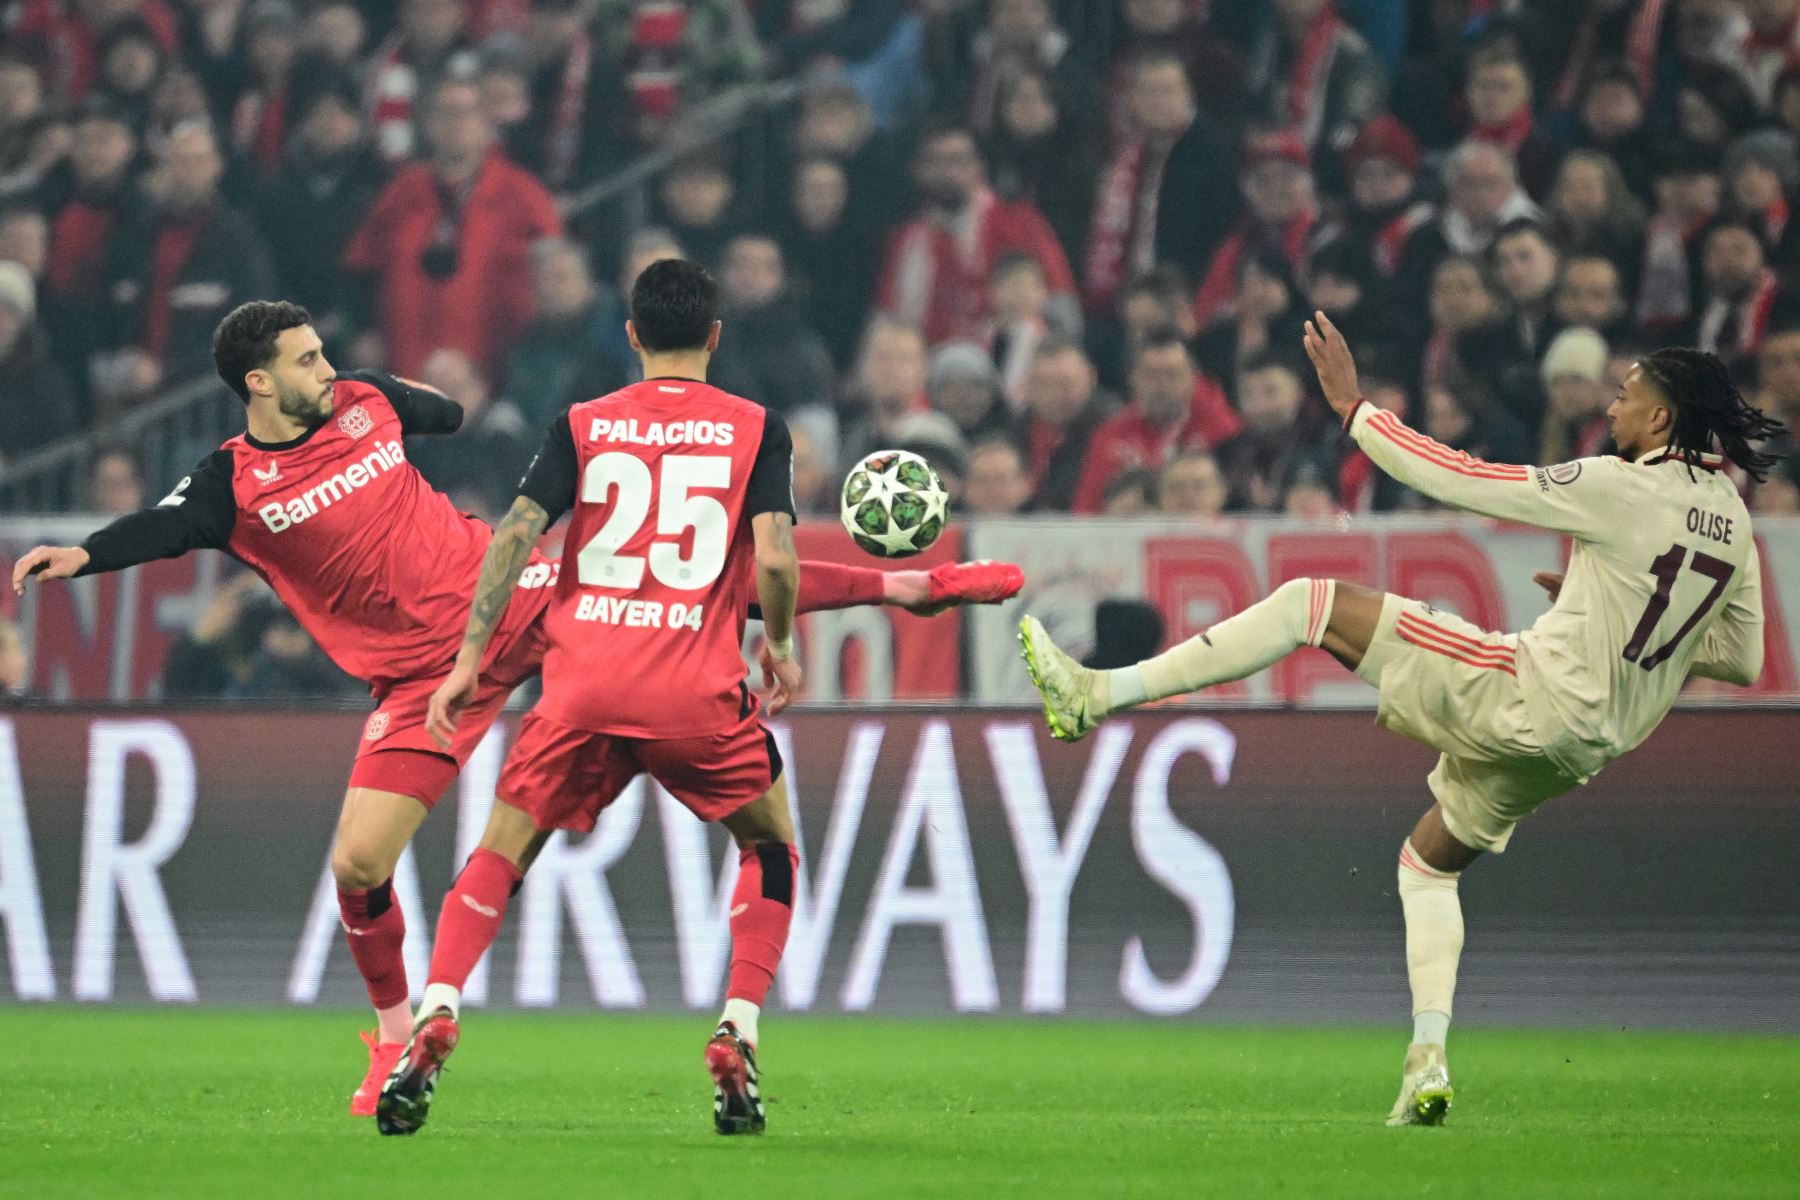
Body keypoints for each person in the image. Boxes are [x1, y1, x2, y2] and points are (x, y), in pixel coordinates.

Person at [10, 300, 1024, 1122]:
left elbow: (438, 411)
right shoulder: (236, 483)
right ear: (259, 383)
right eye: (308, 360)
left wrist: (415, 400)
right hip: (420, 678)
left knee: (684, 580)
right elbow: (169, 525)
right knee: (358, 865)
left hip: (517, 596)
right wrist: (86, 554)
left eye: (327, 353)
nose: (330, 369)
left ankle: (910, 589)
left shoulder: (366, 403)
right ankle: (397, 1032)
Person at [1021, 313, 1780, 1127]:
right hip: (1583, 747)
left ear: (1661, 418)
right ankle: (1427, 1062)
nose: (1612, 409)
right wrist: (1608, 614)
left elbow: (1460, 478)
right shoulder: (1731, 519)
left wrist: (1356, 411)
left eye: (1627, 397)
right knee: (1427, 864)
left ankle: (1096, 695)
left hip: (1530, 696)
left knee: (1311, 603)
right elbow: (1737, 657)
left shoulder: (1619, 483)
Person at [376, 260, 800, 1137]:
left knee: (500, 852)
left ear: (633, 335)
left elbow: (516, 535)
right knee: (771, 845)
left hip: (581, 683)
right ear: (715, 337)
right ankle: (738, 1028)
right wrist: (782, 642)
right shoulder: (757, 427)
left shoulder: (583, 422)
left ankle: (441, 1006)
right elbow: (781, 559)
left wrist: (468, 659)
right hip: (694, 688)